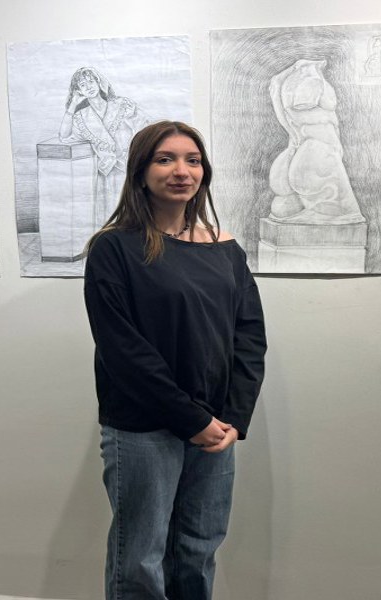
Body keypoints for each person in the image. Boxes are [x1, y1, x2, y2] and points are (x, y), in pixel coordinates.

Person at [83, 121, 267, 600]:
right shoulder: (114, 248)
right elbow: (122, 349)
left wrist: (233, 418)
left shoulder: (225, 248)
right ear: (140, 173)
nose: (182, 171)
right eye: (165, 159)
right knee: (140, 558)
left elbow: (249, 336)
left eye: (193, 160)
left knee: (198, 550)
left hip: (216, 427)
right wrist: (191, 419)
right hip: (144, 428)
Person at [59, 67, 150, 227]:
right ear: (78, 91)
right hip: (106, 173)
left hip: (130, 169)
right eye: (82, 85)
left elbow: (146, 127)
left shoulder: (122, 105)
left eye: (91, 81)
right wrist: (72, 105)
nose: (88, 87)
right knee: (110, 220)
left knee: (136, 217)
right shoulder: (81, 116)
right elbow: (64, 136)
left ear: (98, 82)